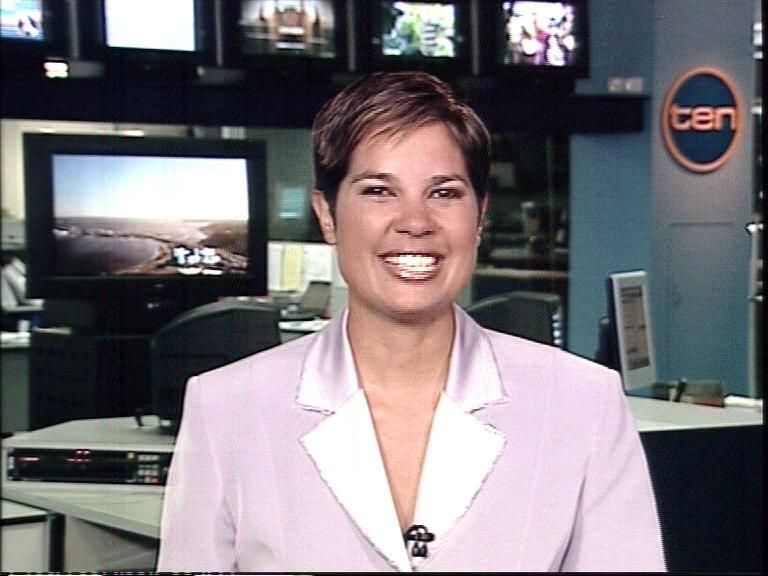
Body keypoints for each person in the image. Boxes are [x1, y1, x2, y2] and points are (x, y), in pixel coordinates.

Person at [156, 71, 666, 572]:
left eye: (444, 193)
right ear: (327, 215)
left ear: (479, 214)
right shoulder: (226, 408)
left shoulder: (584, 404)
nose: (416, 222)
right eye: (379, 191)